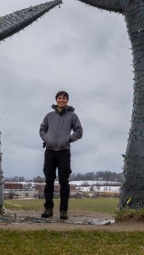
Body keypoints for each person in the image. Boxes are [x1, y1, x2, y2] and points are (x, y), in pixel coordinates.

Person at [39, 90, 83, 219]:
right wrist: (47, 139)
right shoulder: (49, 116)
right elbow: (42, 129)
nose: (61, 100)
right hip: (50, 151)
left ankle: (63, 211)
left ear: (67, 100)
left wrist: (68, 139)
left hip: (64, 151)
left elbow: (79, 131)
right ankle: (48, 209)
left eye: (64, 98)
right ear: (56, 100)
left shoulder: (72, 116)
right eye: (59, 98)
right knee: (49, 182)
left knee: (64, 182)